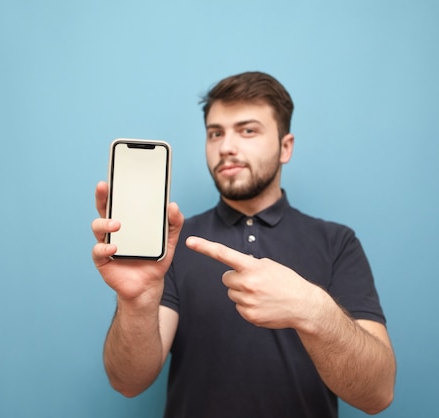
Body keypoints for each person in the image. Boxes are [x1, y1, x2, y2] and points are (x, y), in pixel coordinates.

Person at [91, 71, 396, 417]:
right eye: (215, 133)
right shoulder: (173, 245)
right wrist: (136, 303)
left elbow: (378, 394)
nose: (226, 146)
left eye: (247, 130)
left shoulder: (338, 243)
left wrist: (312, 309)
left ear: (285, 147)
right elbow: (127, 382)